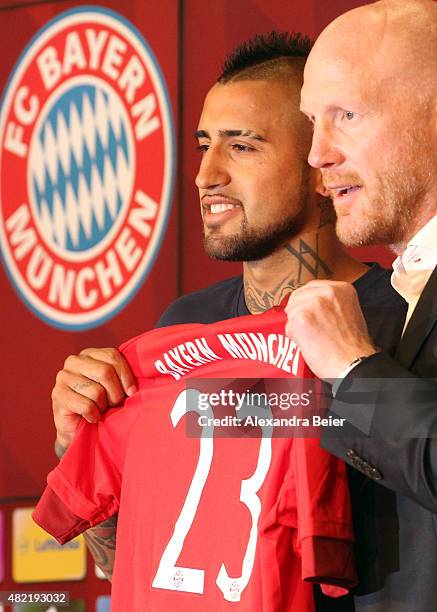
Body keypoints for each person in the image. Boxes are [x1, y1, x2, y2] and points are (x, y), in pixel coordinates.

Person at [50, 32, 406, 608]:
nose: (205, 174)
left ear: (319, 164)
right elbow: (133, 562)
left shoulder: (397, 319)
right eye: (203, 146)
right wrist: (78, 445)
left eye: (242, 147)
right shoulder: (184, 329)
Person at [284, 1, 437, 610]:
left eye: (345, 114)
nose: (317, 153)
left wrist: (354, 370)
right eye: (311, 122)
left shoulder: (351, 343)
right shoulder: (376, 306)